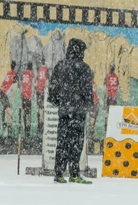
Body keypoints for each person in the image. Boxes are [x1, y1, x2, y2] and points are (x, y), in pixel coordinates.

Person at [48, 38, 94, 184]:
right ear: (79, 51)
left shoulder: (59, 66)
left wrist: (61, 104)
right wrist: (87, 105)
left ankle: (59, 173)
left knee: (62, 141)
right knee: (76, 142)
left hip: (64, 112)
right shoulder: (85, 68)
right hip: (79, 112)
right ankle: (74, 173)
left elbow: (53, 91)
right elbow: (88, 92)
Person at [0, 60, 17, 137]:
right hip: (3, 93)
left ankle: (4, 127)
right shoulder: (14, 75)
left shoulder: (8, 72)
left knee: (4, 110)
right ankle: (8, 132)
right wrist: (12, 101)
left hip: (1, 93)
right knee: (9, 114)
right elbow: (14, 91)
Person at [21, 62, 34, 137]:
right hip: (28, 96)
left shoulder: (24, 73)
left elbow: (21, 82)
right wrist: (31, 95)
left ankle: (25, 128)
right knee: (28, 113)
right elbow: (32, 84)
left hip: (23, 95)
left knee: (24, 112)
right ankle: (28, 130)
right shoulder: (31, 73)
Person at [36, 57, 48, 136]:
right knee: (42, 109)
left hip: (38, 91)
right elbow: (47, 80)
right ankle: (42, 126)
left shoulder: (39, 70)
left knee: (39, 108)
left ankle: (39, 126)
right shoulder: (46, 70)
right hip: (43, 91)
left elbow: (37, 80)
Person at [88, 71, 100, 154]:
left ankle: (90, 145)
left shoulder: (89, 83)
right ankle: (90, 145)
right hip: (95, 103)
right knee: (92, 124)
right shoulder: (94, 83)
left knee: (91, 124)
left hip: (93, 104)